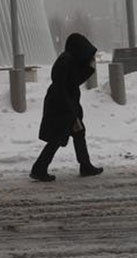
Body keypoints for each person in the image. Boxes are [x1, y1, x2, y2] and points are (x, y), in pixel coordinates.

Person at [30, 32, 103, 182]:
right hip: (61, 106)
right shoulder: (65, 61)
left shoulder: (69, 60)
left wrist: (88, 67)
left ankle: (85, 165)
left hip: (65, 104)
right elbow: (61, 86)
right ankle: (39, 168)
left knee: (78, 133)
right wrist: (70, 110)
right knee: (57, 138)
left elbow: (73, 81)